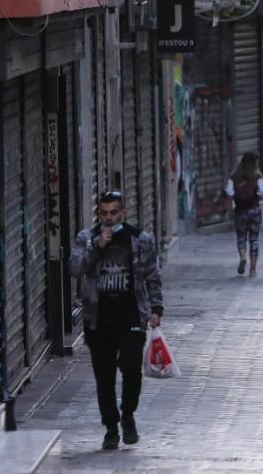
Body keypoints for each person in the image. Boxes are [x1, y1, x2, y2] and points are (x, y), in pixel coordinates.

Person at [69, 190, 163, 450]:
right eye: (103, 213)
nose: (109, 219)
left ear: (123, 213)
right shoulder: (86, 238)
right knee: (104, 376)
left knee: (132, 368)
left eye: (113, 213)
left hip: (131, 315)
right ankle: (110, 427)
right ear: (98, 214)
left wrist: (156, 307)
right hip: (98, 320)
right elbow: (75, 268)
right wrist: (97, 247)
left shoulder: (139, 239)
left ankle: (128, 414)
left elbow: (152, 275)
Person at [225, 151, 263, 277]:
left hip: (240, 211)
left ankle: (243, 257)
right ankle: (253, 269)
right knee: (254, 239)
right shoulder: (257, 175)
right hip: (254, 210)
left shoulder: (234, 176)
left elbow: (229, 192)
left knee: (241, 237)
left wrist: (237, 196)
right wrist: (256, 194)